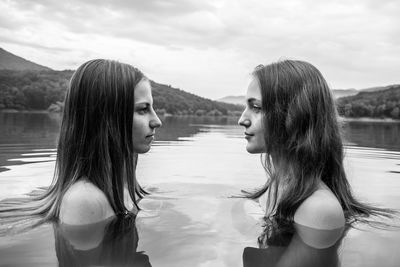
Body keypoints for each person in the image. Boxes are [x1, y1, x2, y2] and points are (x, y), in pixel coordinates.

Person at [238, 60, 395, 265]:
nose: (242, 119)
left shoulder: (317, 210)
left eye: (256, 107)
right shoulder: (276, 185)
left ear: (294, 116)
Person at [0, 59, 162, 229]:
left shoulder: (124, 186)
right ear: (105, 118)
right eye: (143, 109)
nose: (156, 121)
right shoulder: (85, 201)